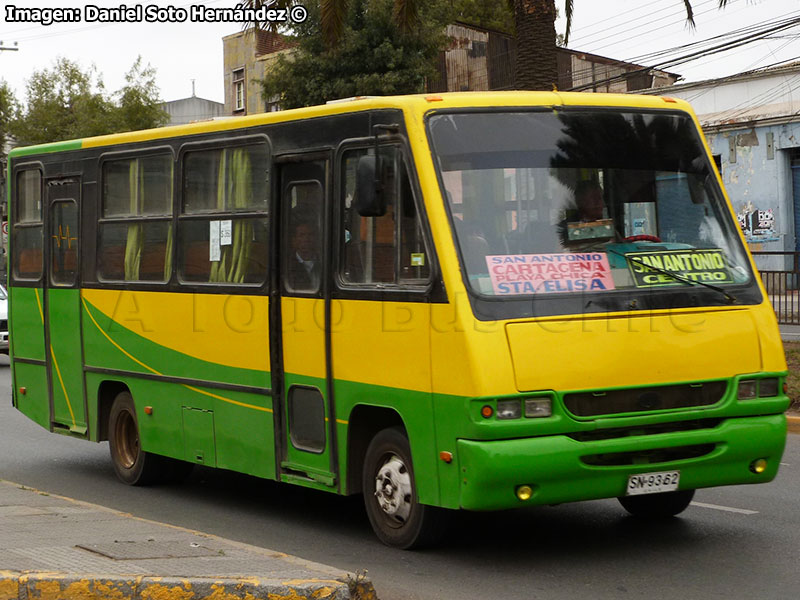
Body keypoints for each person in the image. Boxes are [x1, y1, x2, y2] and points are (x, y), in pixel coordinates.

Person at [287, 220, 321, 292]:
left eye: (310, 235)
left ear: (316, 238)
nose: (306, 239)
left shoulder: (324, 262)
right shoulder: (287, 266)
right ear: (294, 240)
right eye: (301, 235)